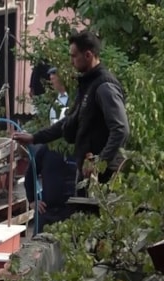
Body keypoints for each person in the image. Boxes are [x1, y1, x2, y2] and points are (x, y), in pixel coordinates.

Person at [13, 30, 130, 185]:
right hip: (87, 173)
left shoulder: (104, 87)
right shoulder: (88, 84)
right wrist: (35, 137)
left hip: (103, 178)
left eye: (74, 56)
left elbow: (121, 129)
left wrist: (100, 162)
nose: (71, 61)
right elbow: (69, 122)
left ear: (88, 55)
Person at [25, 66, 78, 234]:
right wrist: (33, 200)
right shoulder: (47, 151)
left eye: (54, 77)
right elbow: (31, 173)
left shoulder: (75, 102)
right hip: (47, 210)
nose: (52, 81)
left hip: (71, 212)